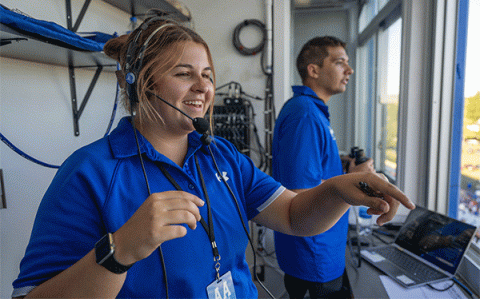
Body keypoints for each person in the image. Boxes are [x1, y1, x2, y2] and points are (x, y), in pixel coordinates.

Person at [12, 17, 414, 299]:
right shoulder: (90, 172)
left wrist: (334, 192)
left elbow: (293, 216)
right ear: (140, 83)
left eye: (208, 75)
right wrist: (120, 251)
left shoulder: (221, 155)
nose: (203, 87)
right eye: (185, 73)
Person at [272, 36, 376, 299]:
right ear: (314, 70)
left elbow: (313, 173)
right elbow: (299, 193)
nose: (349, 70)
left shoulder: (312, 111)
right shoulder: (305, 115)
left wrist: (345, 171)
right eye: (340, 62)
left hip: (320, 247)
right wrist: (353, 179)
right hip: (314, 251)